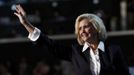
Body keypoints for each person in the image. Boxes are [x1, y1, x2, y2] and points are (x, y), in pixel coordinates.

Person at [14, 4, 130, 75]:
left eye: (85, 27)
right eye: (79, 29)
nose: (82, 31)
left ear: (96, 28)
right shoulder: (75, 52)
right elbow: (49, 44)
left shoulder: (114, 51)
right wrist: (26, 23)